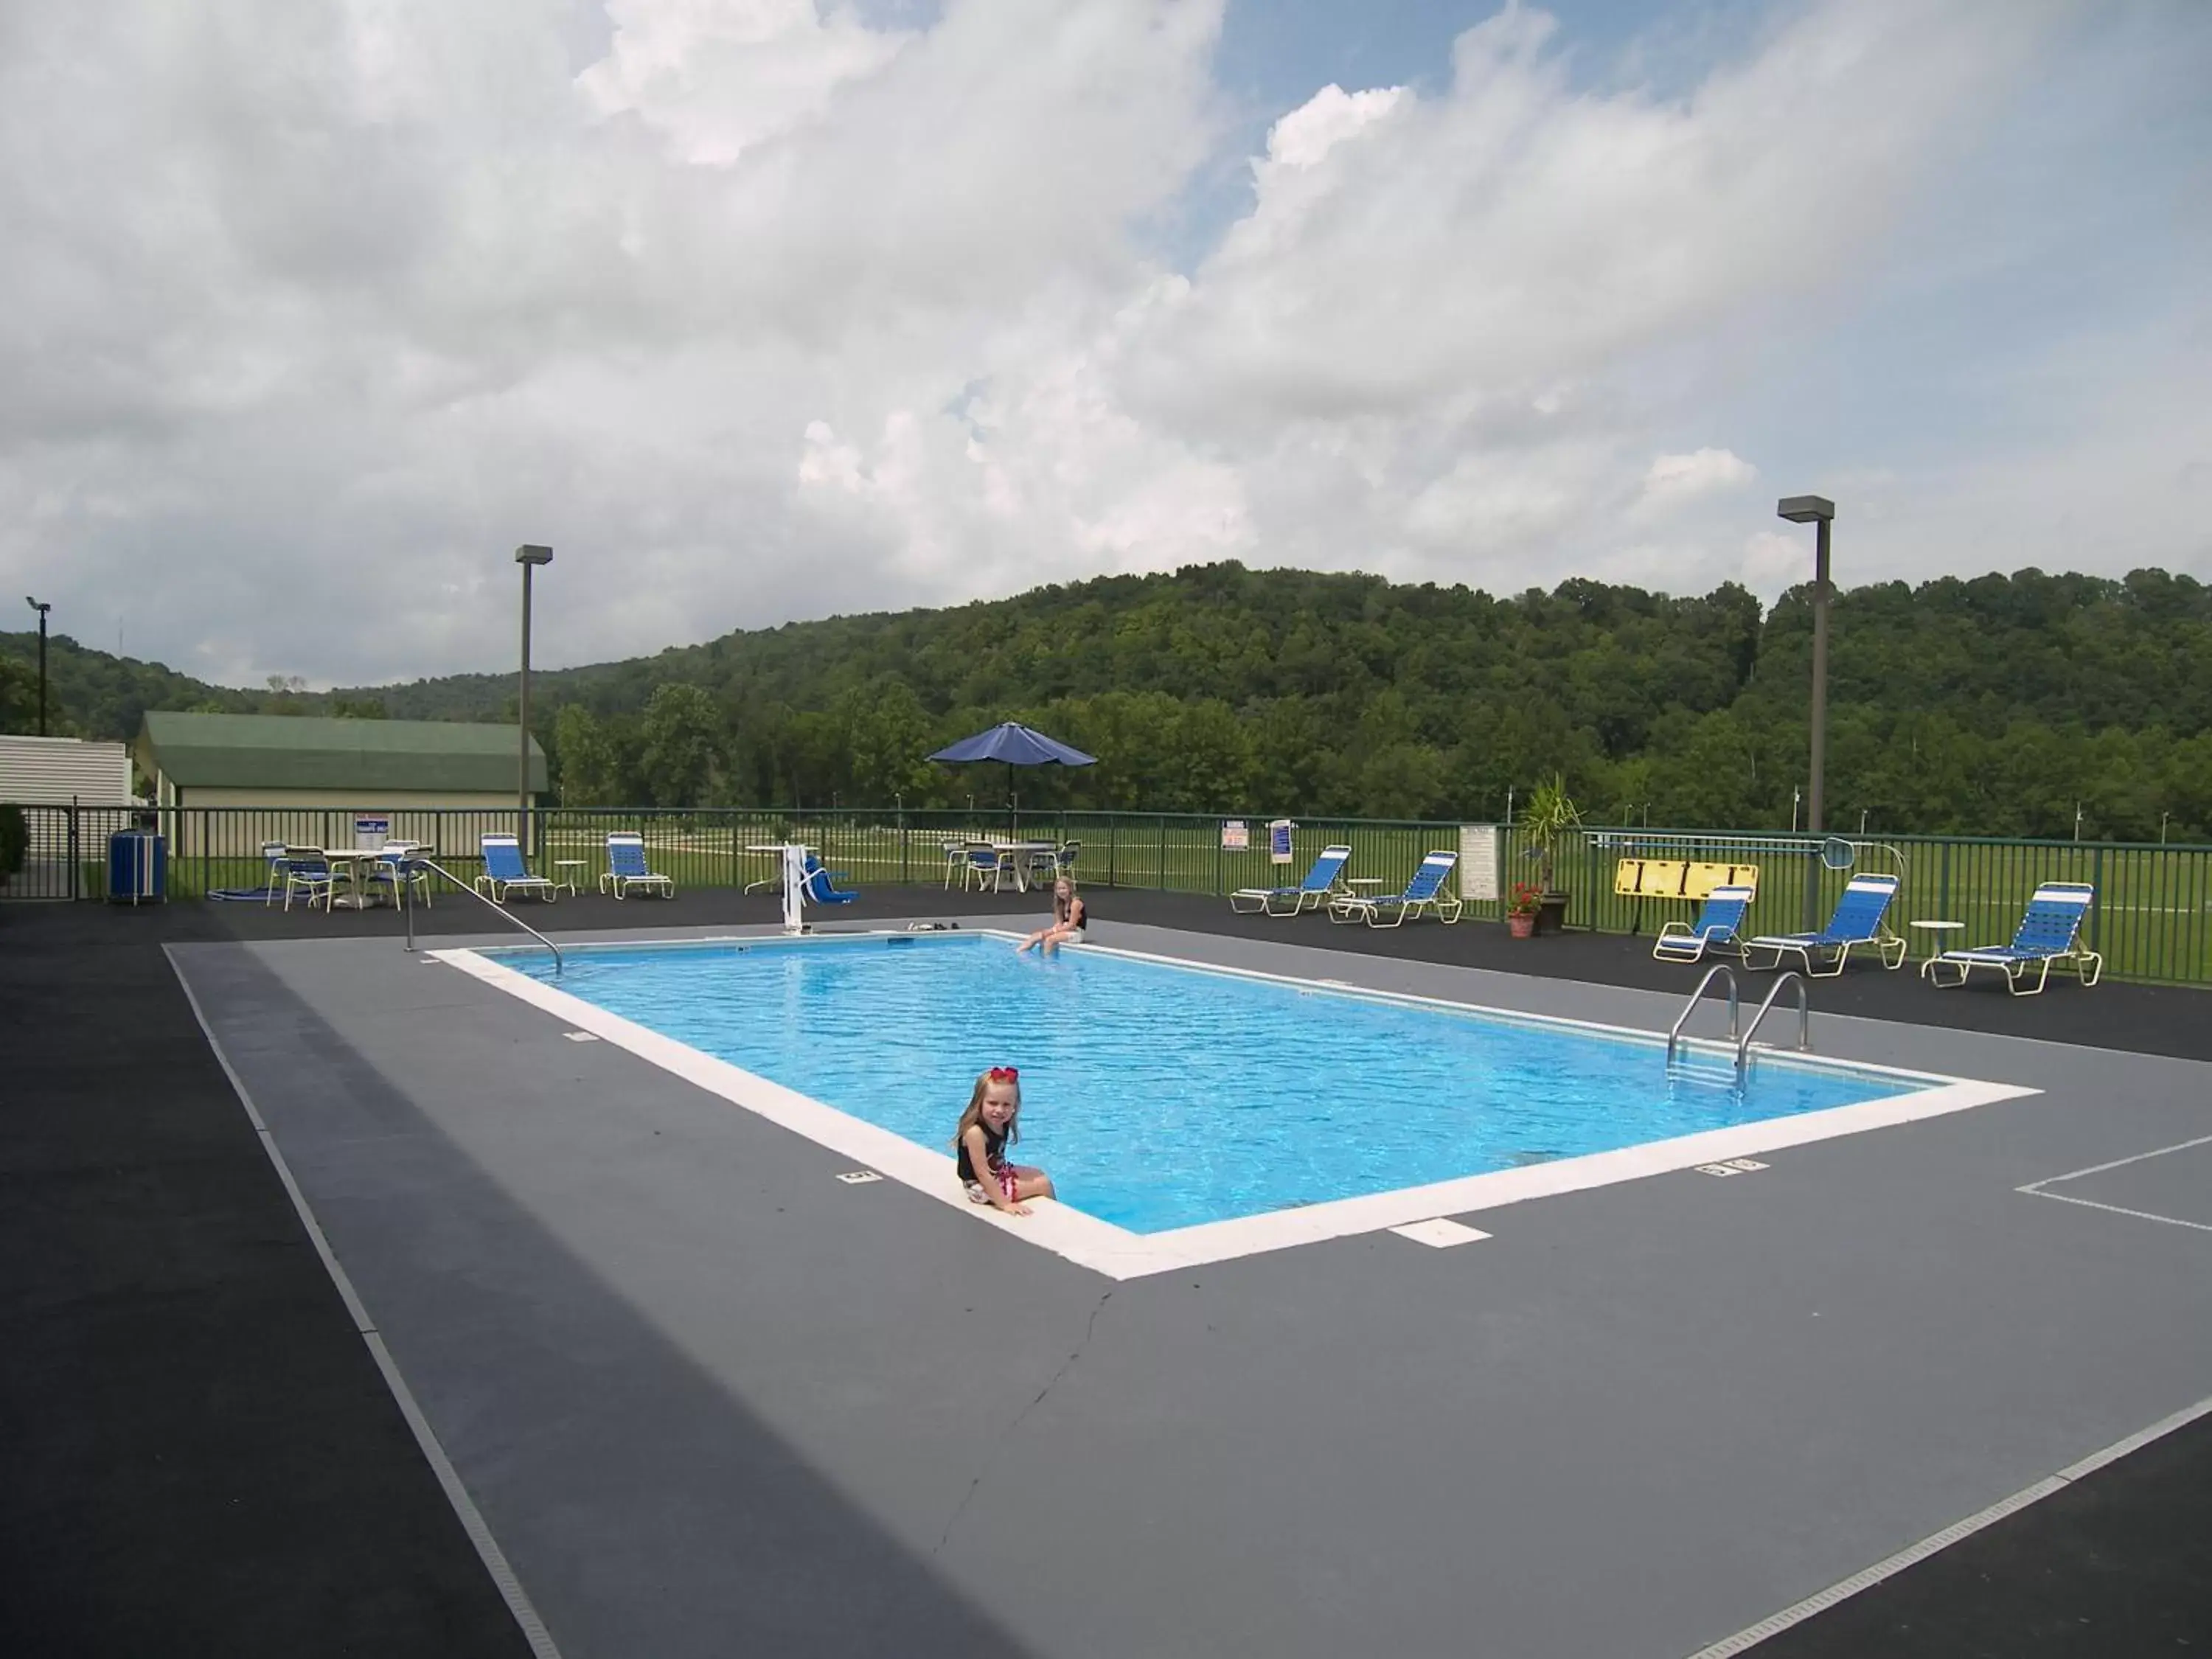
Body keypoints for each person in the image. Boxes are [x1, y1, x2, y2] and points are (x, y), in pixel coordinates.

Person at [952, 1065, 1054, 1216]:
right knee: (1043, 1185)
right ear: (979, 1102)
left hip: (996, 1173)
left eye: (1006, 1105)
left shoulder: (1001, 1122)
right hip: (978, 1188)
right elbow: (982, 1175)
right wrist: (1005, 1204)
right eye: (993, 1103)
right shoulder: (976, 1133)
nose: (1000, 1110)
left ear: (1014, 1106)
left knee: (1039, 1174)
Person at [1018, 875, 1087, 955]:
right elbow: (1059, 923)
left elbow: (1072, 926)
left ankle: (1048, 964)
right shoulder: (1059, 903)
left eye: (1064, 888)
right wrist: (1050, 931)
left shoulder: (1076, 903)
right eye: (1059, 889)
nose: (1061, 891)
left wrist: (1053, 931)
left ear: (1070, 889)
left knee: (1050, 940)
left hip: (1076, 933)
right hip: (1064, 929)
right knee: (1038, 935)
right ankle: (1020, 952)